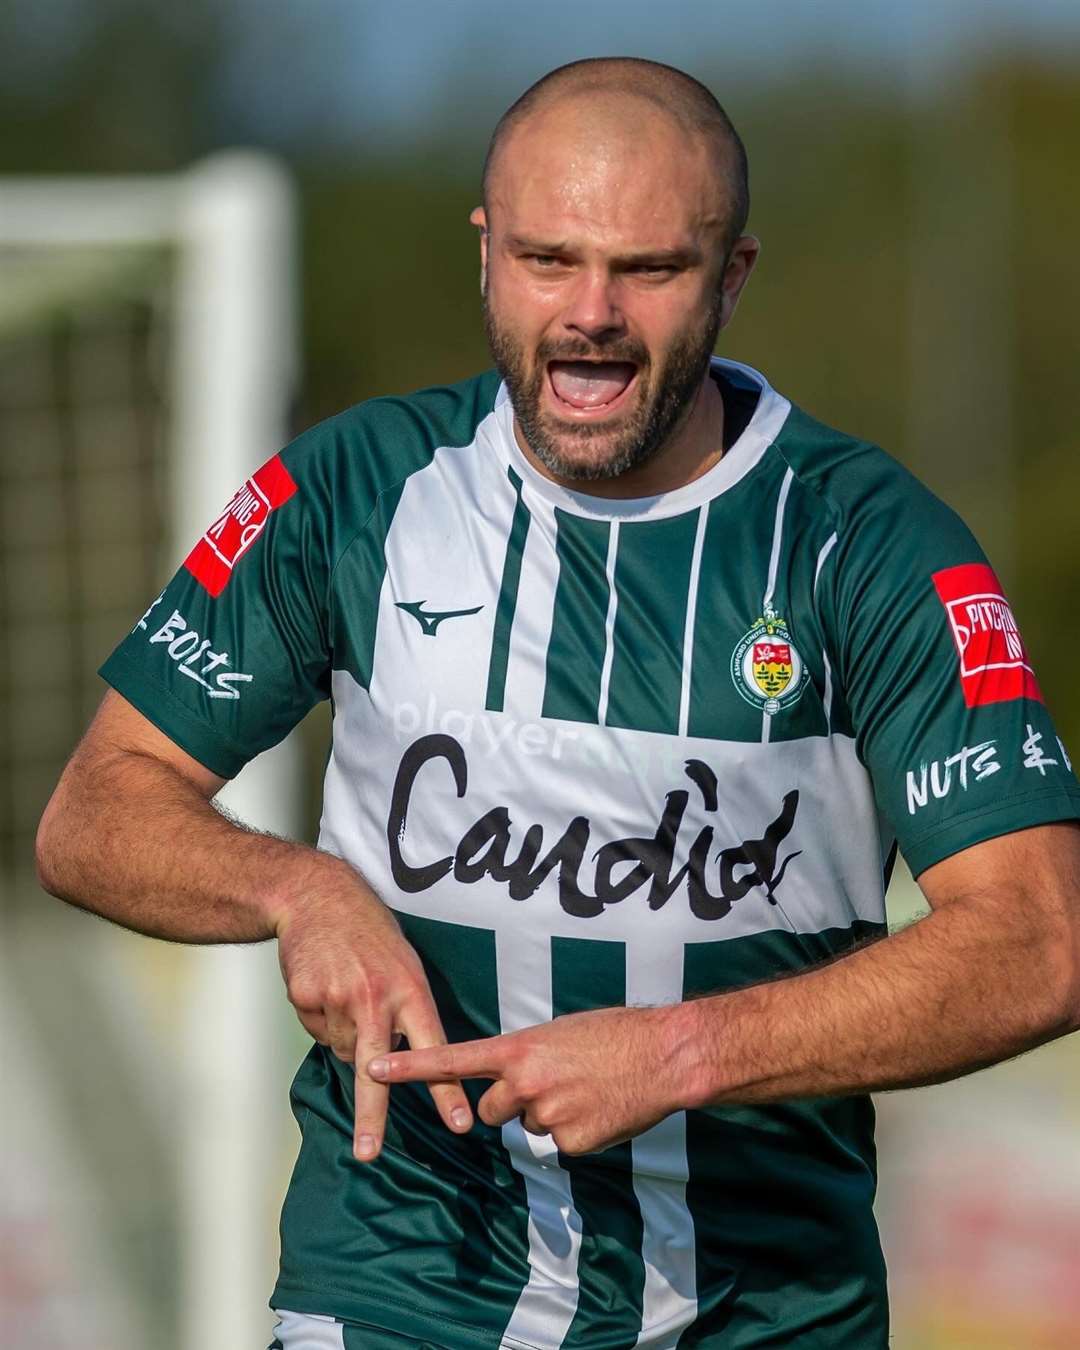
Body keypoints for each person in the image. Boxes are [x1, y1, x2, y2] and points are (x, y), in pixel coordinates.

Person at [36, 56, 1080, 1350]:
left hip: (764, 1312)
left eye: (646, 269)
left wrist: (686, 1051)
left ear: (732, 275)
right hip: (403, 1283)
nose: (590, 312)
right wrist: (291, 887)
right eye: (547, 259)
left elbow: (1042, 936)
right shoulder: (358, 489)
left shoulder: (864, 540)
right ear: (486, 253)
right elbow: (95, 811)